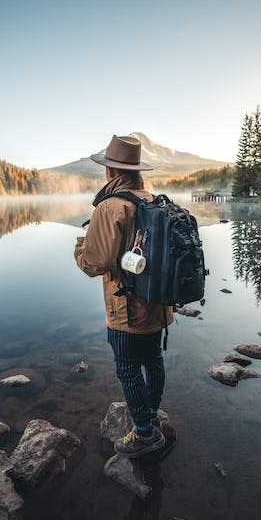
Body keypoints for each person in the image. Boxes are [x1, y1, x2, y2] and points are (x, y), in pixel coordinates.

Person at [74, 134, 173, 458]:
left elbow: (95, 264)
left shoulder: (110, 206)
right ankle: (152, 414)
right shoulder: (155, 200)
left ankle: (144, 433)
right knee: (153, 360)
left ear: (111, 172)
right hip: (159, 307)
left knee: (127, 368)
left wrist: (79, 250)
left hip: (126, 311)